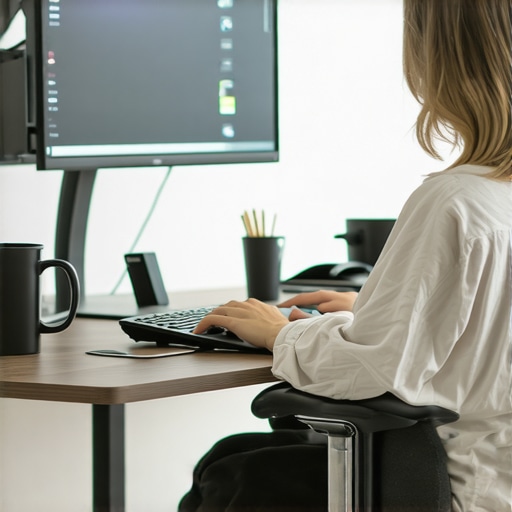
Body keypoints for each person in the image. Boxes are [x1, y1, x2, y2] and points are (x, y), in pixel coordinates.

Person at [187, 1, 512, 510]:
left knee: (229, 469)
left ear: (437, 55)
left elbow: (378, 370)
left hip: (456, 488)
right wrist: (382, 312)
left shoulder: (457, 201)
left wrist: (280, 332)